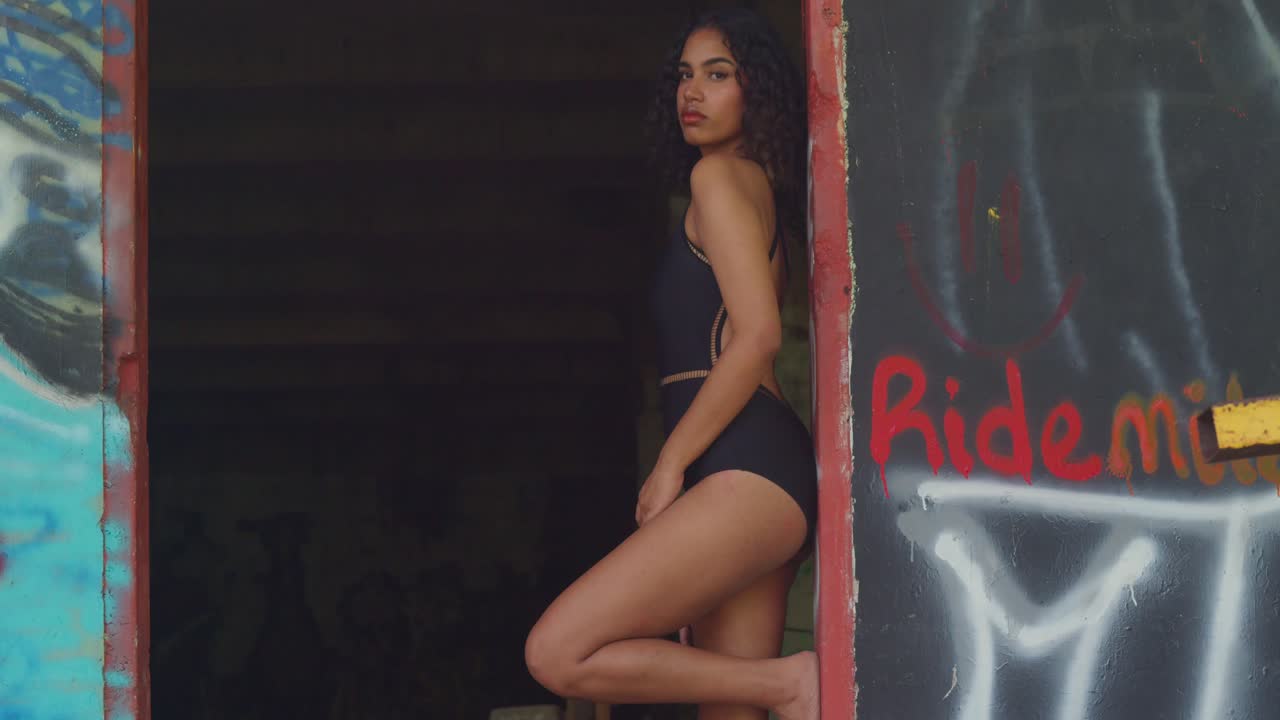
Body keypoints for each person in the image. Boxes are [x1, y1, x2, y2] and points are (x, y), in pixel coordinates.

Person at [525, 9, 819, 719]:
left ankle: (792, 684)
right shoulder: (755, 191)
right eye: (685, 76)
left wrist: (668, 467)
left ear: (757, 92)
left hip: (741, 465)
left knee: (557, 652)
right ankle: (784, 689)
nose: (693, 91)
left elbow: (755, 337)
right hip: (759, 474)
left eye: (718, 75)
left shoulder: (718, 178)